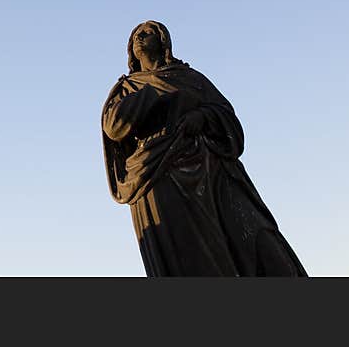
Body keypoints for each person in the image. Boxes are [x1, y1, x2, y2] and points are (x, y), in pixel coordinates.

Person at [101, 20, 307, 276]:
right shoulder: (127, 89)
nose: (139, 38)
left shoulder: (189, 78)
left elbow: (227, 117)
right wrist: (149, 94)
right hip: (156, 175)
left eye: (147, 33)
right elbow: (114, 126)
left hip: (211, 173)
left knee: (254, 240)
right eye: (135, 37)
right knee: (189, 258)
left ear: (163, 41)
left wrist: (201, 118)